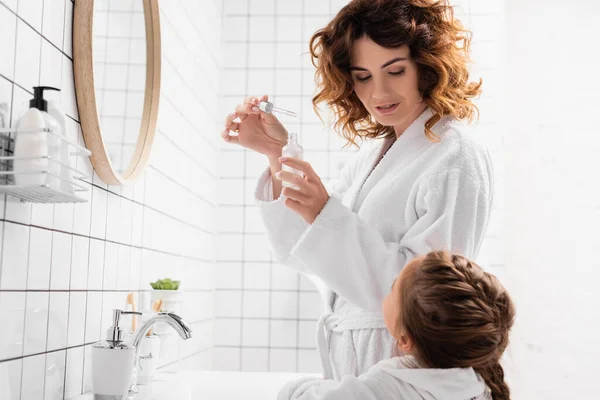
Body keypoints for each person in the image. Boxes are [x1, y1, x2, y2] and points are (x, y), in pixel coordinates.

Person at [220, 0, 493, 380]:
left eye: (395, 70)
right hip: (354, 359)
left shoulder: (455, 153)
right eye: (362, 76)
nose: (378, 91)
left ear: (427, 68)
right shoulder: (370, 159)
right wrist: (277, 154)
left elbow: (428, 296)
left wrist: (323, 212)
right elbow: (305, 254)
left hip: (403, 363)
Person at [277, 251, 515, 400]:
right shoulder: (478, 386)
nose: (388, 289)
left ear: (404, 341)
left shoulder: (386, 387)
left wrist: (298, 388)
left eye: (394, 287)